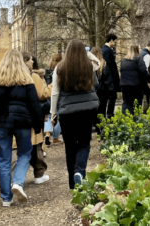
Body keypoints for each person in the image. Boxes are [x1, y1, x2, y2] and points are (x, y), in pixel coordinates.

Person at [0, 49, 43, 206]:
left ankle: (6, 198)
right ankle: (17, 182)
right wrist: (38, 126)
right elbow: (35, 106)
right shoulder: (27, 81)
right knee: (25, 152)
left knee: (4, 159)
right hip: (22, 123)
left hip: (1, 123)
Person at [51, 40, 100, 189]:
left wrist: (53, 113)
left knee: (70, 147)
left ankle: (73, 184)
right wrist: (87, 52)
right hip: (86, 111)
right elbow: (98, 62)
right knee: (84, 144)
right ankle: (79, 171)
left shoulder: (60, 68)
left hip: (67, 112)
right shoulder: (88, 67)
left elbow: (55, 92)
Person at [22, 52, 52, 184]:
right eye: (29, 60)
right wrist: (52, 86)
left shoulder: (14, 76)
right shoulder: (32, 76)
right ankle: (39, 174)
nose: (32, 62)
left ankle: (17, 179)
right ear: (25, 61)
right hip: (33, 114)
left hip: (18, 116)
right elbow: (42, 94)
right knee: (35, 146)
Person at [120, 45, 150, 115]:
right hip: (136, 85)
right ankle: (136, 120)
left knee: (126, 102)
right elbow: (143, 71)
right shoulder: (139, 58)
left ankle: (124, 120)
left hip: (124, 85)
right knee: (137, 103)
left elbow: (121, 71)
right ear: (137, 50)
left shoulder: (123, 60)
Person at [98, 34, 119, 120]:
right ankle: (109, 115)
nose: (114, 44)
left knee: (108, 99)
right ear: (110, 40)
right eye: (114, 41)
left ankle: (107, 115)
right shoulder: (107, 51)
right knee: (111, 97)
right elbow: (110, 67)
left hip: (108, 79)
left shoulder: (105, 50)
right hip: (109, 80)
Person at [43, 54, 63, 145]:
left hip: (48, 93)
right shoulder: (59, 70)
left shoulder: (47, 70)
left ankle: (47, 134)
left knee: (49, 115)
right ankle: (55, 138)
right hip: (56, 94)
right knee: (56, 115)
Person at [139, 41, 150, 112]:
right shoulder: (147, 55)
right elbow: (145, 68)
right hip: (143, 78)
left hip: (139, 77)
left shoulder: (141, 53)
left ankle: (145, 110)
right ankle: (149, 110)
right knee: (148, 93)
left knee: (145, 93)